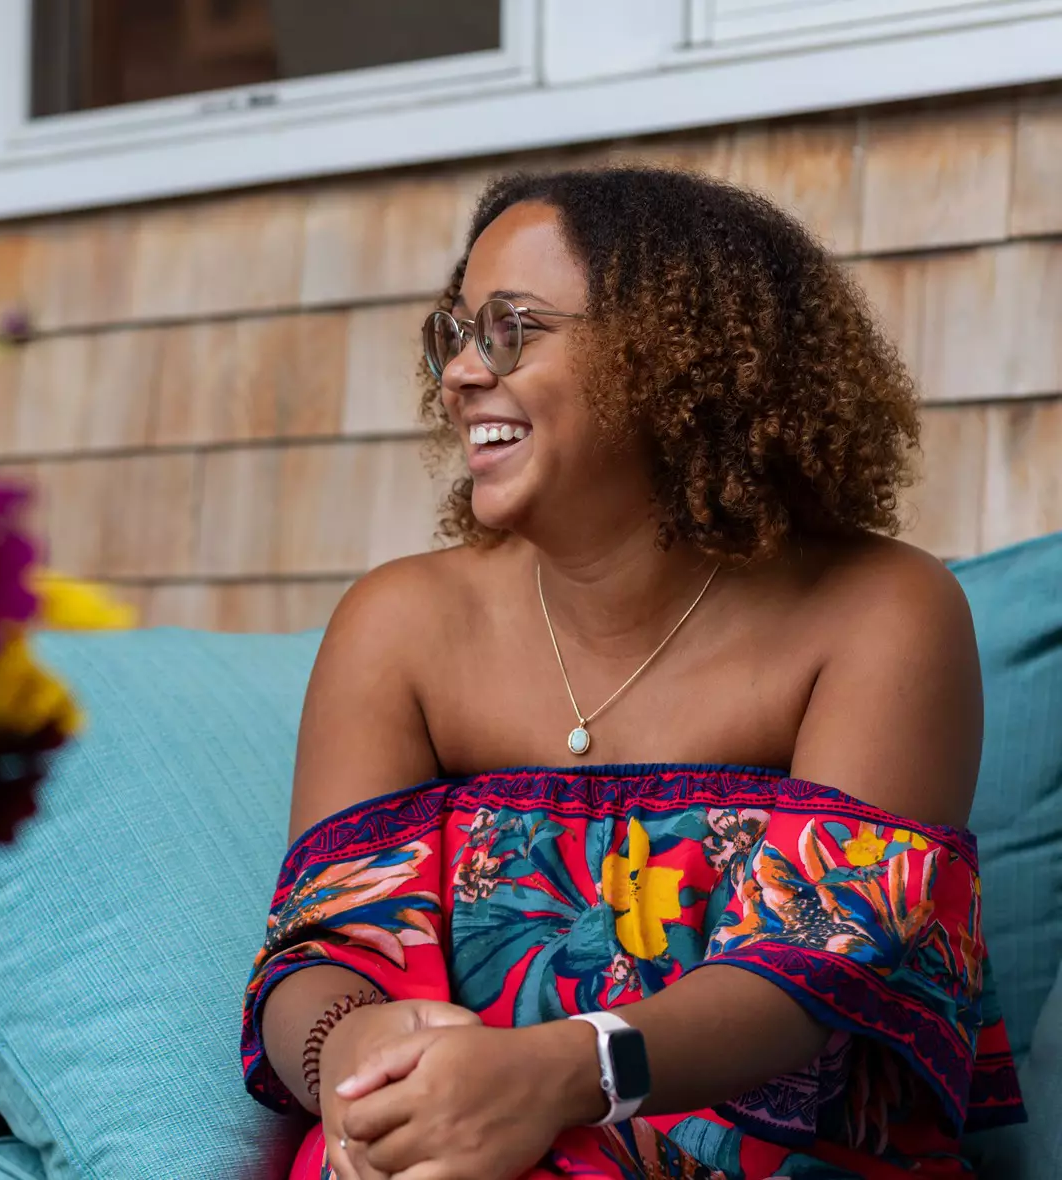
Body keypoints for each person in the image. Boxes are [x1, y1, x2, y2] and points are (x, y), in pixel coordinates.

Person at [240, 166, 1026, 1180]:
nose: (461, 375)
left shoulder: (881, 611)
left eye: (510, 328)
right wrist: (358, 1066)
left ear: (672, 357)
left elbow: (813, 969)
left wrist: (559, 1074)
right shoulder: (399, 624)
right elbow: (326, 942)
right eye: (455, 334)